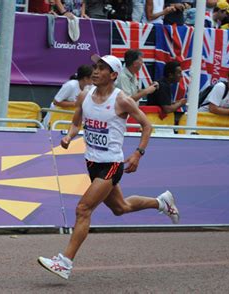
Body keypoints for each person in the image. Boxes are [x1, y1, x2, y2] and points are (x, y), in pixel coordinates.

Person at [37, 55, 179, 280]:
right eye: (95, 67)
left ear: (113, 75)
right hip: (92, 163)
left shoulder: (121, 100)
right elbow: (76, 122)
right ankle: (162, 202)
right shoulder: (84, 95)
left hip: (111, 165)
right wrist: (70, 137)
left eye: (102, 68)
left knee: (83, 209)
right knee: (120, 207)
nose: (95, 71)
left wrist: (138, 154)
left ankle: (64, 262)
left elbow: (147, 125)